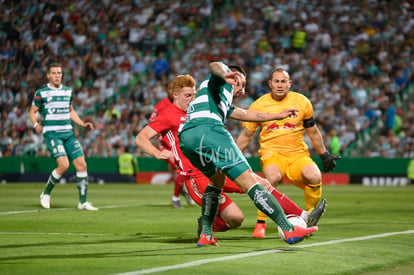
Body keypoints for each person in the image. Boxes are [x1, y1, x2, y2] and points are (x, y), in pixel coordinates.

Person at [136, 74, 323, 239]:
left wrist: (279, 115)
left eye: (193, 95)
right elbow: (141, 138)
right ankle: (209, 226)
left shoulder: (202, 107)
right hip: (196, 175)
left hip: (218, 167)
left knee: (260, 183)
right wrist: (157, 152)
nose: (191, 99)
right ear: (175, 95)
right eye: (187, 96)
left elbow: (246, 113)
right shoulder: (168, 115)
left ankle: (304, 217)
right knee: (236, 219)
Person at [178, 61, 318, 246]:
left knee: (216, 181)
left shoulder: (219, 100)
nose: (242, 91)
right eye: (241, 84)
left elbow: (248, 114)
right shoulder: (221, 82)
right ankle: (288, 228)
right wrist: (225, 73)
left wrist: (279, 115)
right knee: (250, 181)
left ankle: (206, 234)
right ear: (232, 77)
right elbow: (214, 65)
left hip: (188, 138)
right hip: (210, 130)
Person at [236, 68, 340, 238]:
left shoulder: (302, 102)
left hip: (297, 154)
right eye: (276, 81)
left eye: (283, 81)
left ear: (289, 84)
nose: (279, 85)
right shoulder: (259, 105)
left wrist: (324, 154)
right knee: (272, 178)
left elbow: (312, 131)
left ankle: (309, 218)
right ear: (270, 84)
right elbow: (247, 134)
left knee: (314, 176)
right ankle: (261, 223)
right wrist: (233, 155)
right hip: (272, 153)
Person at [29, 63, 98, 211]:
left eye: (59, 73)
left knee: (82, 164)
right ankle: (46, 193)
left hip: (68, 133)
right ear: (48, 75)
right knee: (64, 165)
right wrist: (36, 125)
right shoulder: (41, 92)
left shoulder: (68, 91)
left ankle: (83, 202)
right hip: (52, 133)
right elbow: (32, 111)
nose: (57, 75)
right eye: (54, 73)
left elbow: (70, 111)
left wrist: (82, 124)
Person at [149, 80, 194, 208]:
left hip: (180, 145)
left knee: (183, 170)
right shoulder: (160, 107)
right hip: (166, 145)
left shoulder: (186, 104)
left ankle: (184, 190)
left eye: (171, 88)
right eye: (168, 88)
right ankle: (176, 197)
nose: (170, 90)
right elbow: (152, 126)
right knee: (181, 168)